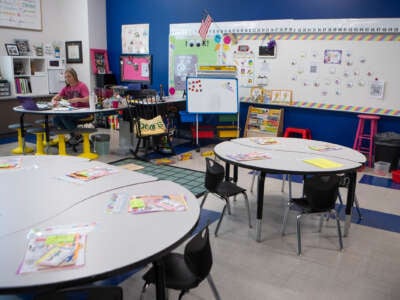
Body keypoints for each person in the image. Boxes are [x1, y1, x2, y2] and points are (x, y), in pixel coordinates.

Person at [51, 67, 90, 144]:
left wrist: (78, 99)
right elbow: (57, 97)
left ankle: (76, 135)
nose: (67, 79)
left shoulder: (82, 86)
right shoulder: (66, 88)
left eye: (69, 76)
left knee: (64, 116)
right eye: (65, 77)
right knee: (55, 119)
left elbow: (88, 98)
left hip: (83, 111)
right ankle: (74, 135)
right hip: (72, 111)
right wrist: (53, 101)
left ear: (74, 76)